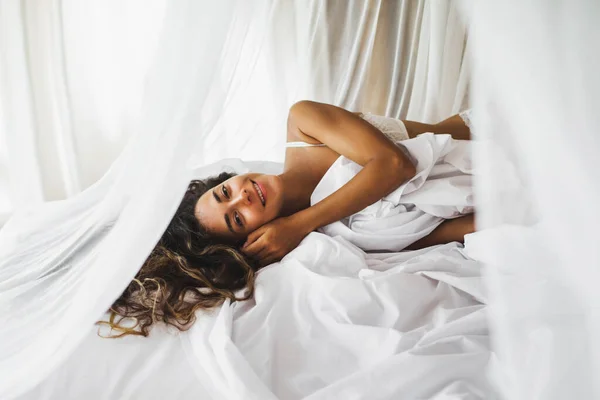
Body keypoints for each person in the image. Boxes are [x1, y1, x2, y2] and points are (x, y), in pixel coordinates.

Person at [102, 101, 473, 337]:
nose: (242, 196)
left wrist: (299, 223)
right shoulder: (343, 233)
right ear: (252, 237)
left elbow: (395, 164)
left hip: (493, 132)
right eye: (237, 219)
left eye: (223, 192)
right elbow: (449, 231)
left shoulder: (303, 124)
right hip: (504, 189)